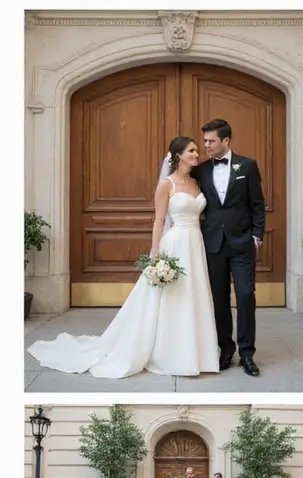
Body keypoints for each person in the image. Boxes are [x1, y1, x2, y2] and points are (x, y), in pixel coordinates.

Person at [28, 137, 220, 378]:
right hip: (176, 243)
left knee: (194, 295)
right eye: (191, 150)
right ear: (178, 155)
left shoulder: (197, 182)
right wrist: (156, 257)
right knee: (173, 297)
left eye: (196, 150)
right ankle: (170, 353)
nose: (196, 153)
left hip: (196, 244)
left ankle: (197, 353)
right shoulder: (166, 184)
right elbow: (158, 222)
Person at [193, 118, 266, 376]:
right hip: (213, 243)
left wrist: (256, 236)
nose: (206, 146)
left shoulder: (247, 165)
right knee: (219, 299)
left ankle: (247, 354)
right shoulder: (200, 170)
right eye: (204, 141)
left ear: (226, 141)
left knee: (246, 296)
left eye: (211, 141)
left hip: (242, 242)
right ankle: (225, 350)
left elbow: (257, 203)